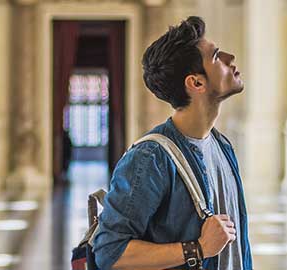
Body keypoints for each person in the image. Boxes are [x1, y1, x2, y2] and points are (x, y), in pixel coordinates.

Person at [92, 16, 252, 270]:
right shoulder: (150, 157)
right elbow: (109, 252)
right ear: (196, 82)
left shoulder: (222, 145)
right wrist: (198, 248)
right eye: (216, 56)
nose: (230, 58)